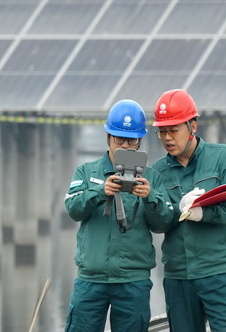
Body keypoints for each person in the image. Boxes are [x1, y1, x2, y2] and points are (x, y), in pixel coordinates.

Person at [63, 99, 173, 332]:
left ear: (140, 140)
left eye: (132, 140)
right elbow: (73, 209)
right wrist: (99, 191)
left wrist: (150, 197)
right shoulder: (86, 172)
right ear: (108, 136)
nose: (125, 145)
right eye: (119, 139)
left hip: (133, 280)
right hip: (91, 278)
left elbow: (163, 223)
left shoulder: (151, 178)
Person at [149, 88, 226, 332]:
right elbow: (157, 224)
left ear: (192, 126)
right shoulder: (157, 172)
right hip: (178, 277)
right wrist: (168, 208)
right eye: (162, 131)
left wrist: (204, 213)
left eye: (173, 130)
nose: (167, 138)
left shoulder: (223, 157)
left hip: (220, 272)